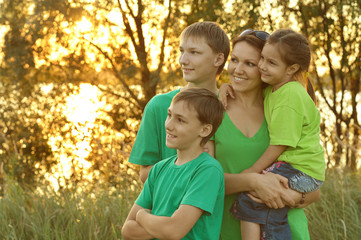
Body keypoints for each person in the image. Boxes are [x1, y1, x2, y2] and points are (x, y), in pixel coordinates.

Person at [209, 29, 321, 240]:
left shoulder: (281, 103)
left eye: (250, 63)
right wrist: (254, 182)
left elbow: (315, 191)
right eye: (234, 60)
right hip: (229, 232)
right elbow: (201, 182)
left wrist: (288, 195)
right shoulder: (213, 109)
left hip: (291, 231)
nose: (237, 69)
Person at [128, 21, 230, 183]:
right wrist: (188, 164)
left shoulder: (231, 106)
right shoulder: (159, 105)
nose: (183, 60)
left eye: (194, 52)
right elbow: (145, 174)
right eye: (182, 51)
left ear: (218, 59)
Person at [121, 88, 225, 240]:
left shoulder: (208, 170)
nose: (169, 125)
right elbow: (128, 230)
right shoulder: (159, 169)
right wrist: (163, 226)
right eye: (169, 115)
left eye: (180, 120)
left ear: (204, 130)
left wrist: (142, 216)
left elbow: (173, 231)